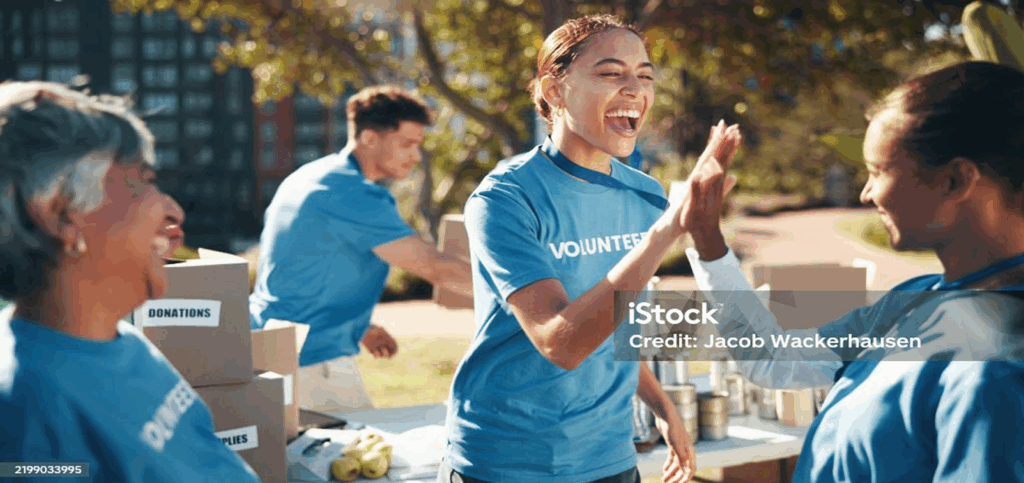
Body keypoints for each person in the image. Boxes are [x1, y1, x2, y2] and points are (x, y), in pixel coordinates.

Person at [682, 61, 1024, 482]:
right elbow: (773, 359)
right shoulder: (917, 299)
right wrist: (707, 240)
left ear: (954, 181)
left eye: (878, 171)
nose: (866, 193)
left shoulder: (997, 369)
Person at [439, 15, 743, 483]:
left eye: (644, 76)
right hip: (505, 462)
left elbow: (613, 325)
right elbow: (559, 342)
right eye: (610, 73)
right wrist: (666, 231)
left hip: (609, 457)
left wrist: (661, 403)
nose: (634, 89)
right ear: (554, 91)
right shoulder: (505, 199)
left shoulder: (644, 196)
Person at [0, 81, 260, 481]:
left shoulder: (123, 341)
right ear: (61, 215)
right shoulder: (26, 410)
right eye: (143, 181)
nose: (172, 210)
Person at [249, 85, 474, 412]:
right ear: (369, 138)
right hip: (310, 362)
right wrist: (522, 293)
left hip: (273, 347)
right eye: (407, 144)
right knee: (367, 455)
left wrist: (359, 328)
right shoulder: (351, 194)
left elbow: (304, 269)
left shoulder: (310, 177)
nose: (415, 156)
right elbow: (435, 267)